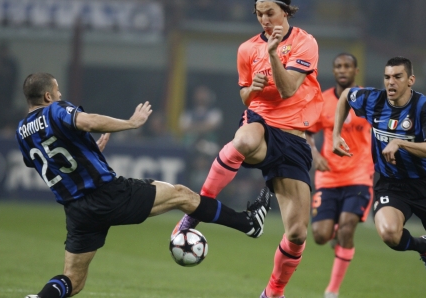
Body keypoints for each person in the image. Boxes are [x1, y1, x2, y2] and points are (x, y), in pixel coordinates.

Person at [17, 73, 271, 298]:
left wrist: (90, 151)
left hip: (77, 211)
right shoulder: (55, 109)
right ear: (48, 95)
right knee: (182, 195)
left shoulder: (22, 132)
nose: (61, 94)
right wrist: (131, 123)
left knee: (73, 280)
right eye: (58, 90)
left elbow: (53, 159)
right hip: (107, 193)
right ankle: (248, 224)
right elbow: (88, 121)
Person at [173, 1, 324, 297]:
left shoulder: (305, 42)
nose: (264, 19)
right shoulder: (246, 49)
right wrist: (253, 88)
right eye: (259, 14)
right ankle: (196, 212)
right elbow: (245, 96)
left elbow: (289, 89)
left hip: (293, 138)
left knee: (297, 234)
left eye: (270, 13)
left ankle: (273, 292)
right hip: (261, 121)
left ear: (286, 12)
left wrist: (272, 54)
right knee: (243, 141)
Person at [332, 57, 426, 298]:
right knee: (389, 233)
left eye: (397, 77)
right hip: (392, 185)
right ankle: (423, 246)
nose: (391, 82)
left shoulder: (424, 108)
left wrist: (400, 143)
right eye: (387, 77)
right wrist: (336, 134)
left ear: (410, 80)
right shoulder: (373, 100)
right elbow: (347, 95)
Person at [305, 53, 373, 298]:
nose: (342, 70)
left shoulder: (370, 99)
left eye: (347, 66)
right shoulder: (322, 101)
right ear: (333, 71)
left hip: (359, 175)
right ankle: (334, 235)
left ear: (356, 70)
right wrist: (314, 154)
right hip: (328, 177)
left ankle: (332, 291)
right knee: (320, 236)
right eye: (338, 66)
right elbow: (307, 132)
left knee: (346, 229)